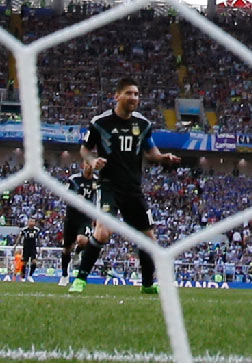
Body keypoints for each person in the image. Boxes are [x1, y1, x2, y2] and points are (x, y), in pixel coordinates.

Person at [71, 77, 182, 294]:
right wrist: (93, 161)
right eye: (129, 93)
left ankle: (148, 285)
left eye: (136, 94)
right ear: (117, 96)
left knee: (148, 239)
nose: (134, 98)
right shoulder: (100, 123)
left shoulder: (143, 125)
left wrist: (163, 158)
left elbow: (151, 152)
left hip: (133, 189)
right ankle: (80, 279)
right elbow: (85, 149)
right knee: (103, 232)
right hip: (108, 186)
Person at [59, 161, 100, 286]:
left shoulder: (97, 181)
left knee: (83, 240)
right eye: (87, 164)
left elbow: (99, 198)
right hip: (71, 217)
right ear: (83, 165)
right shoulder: (74, 179)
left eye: (91, 165)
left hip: (85, 217)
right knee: (66, 248)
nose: (89, 167)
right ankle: (64, 275)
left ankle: (78, 253)